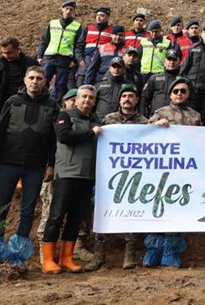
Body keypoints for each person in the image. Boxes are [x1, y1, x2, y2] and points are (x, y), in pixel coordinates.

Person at [0, 66, 59, 266]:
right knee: (0, 207)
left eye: (39, 78)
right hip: (8, 163)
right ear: (25, 80)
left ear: (45, 82)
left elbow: (54, 139)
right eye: (31, 77)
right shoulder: (12, 102)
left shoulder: (52, 105)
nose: (35, 81)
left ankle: (17, 256)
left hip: (36, 166)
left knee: (28, 210)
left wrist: (51, 165)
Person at [86, 84, 150, 271]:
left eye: (131, 95)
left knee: (133, 212)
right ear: (120, 100)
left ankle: (129, 255)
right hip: (109, 175)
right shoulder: (108, 120)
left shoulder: (145, 123)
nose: (127, 99)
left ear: (137, 100)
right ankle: (99, 256)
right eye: (124, 96)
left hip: (135, 177)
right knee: (101, 211)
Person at [41, 85, 102, 274]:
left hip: (87, 177)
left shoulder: (96, 120)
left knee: (75, 220)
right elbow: (64, 136)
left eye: (91, 98)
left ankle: (66, 258)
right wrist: (91, 133)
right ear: (76, 99)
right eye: (84, 97)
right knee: (56, 217)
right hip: (66, 174)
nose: (87, 100)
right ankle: (48, 259)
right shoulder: (64, 116)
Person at [37, 88, 77, 264]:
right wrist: (48, 165)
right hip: (52, 172)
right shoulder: (57, 120)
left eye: (78, 99)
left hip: (72, 173)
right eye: (71, 99)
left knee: (71, 217)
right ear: (64, 102)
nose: (75, 102)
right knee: (50, 213)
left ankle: (65, 257)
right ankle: (44, 254)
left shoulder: (87, 121)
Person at [37, 0, 84, 102]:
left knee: (60, 84)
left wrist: (74, 60)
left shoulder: (77, 26)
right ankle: (39, 100)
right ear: (62, 9)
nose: (68, 11)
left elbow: (78, 45)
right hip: (50, 56)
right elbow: (44, 40)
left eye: (71, 9)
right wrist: (40, 56)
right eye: (66, 9)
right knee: (43, 80)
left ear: (74, 11)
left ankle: (54, 105)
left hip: (65, 59)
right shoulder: (53, 23)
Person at [0, 36, 39, 119]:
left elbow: (41, 82)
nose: (6, 56)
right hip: (5, 106)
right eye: (3, 53)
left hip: (28, 104)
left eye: (9, 53)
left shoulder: (30, 63)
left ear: (18, 49)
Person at [77, 7, 113, 86]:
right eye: (97, 15)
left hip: (101, 61)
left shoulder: (112, 31)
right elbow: (79, 45)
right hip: (86, 60)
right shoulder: (88, 28)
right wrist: (80, 58)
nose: (99, 17)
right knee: (80, 84)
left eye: (102, 15)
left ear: (107, 17)